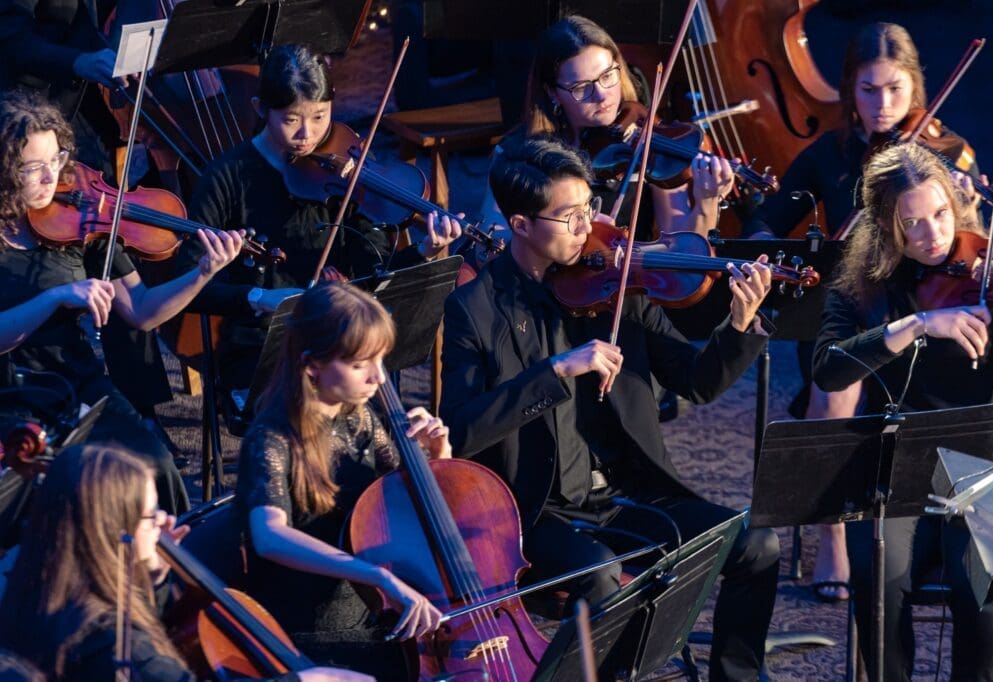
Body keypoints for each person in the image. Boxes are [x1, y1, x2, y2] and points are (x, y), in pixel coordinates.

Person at [441, 135, 780, 681]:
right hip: (537, 514)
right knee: (601, 575)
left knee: (755, 544)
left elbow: (696, 383)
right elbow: (459, 431)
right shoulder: (474, 310)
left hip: (628, 496)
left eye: (588, 209)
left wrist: (737, 327)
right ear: (521, 225)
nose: (585, 226)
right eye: (568, 216)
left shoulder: (617, 276)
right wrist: (552, 373)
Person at [743, 22, 984, 602]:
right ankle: (834, 541)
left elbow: (970, 244)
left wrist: (970, 211)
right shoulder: (828, 154)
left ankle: (955, 533)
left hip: (930, 313)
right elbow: (762, 226)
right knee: (836, 391)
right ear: (849, 90)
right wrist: (795, 260)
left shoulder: (942, 155)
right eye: (869, 90)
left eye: (896, 91)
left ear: (916, 89)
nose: (883, 105)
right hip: (851, 316)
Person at [812, 142, 993, 681]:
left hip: (981, 469)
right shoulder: (863, 290)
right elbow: (828, 368)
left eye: (941, 213)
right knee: (881, 575)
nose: (934, 235)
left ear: (956, 203)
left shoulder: (991, 275)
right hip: (893, 467)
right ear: (887, 227)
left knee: (986, 579)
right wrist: (919, 324)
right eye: (914, 223)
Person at [0, 89, 246, 514]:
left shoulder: (83, 220)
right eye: (32, 167)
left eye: (56, 159)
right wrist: (57, 297)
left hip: (76, 380)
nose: (50, 177)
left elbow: (144, 312)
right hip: (11, 390)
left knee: (156, 466)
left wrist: (203, 273)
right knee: (56, 496)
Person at [180, 43, 461, 405]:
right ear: (260, 109)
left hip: (342, 335)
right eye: (291, 119)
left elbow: (372, 274)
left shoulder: (348, 163)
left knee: (373, 395)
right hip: (263, 345)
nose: (307, 135)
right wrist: (260, 297)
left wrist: (425, 251)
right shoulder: (226, 177)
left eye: (319, 116)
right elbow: (190, 284)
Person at [0, 444, 370, 681]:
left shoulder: (26, 580)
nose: (165, 520)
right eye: (150, 514)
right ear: (115, 533)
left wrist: (153, 577)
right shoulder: (125, 652)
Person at [236, 282, 451, 679]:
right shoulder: (272, 436)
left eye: (380, 360)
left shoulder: (357, 415)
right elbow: (268, 536)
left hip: (370, 609)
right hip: (308, 631)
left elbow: (406, 494)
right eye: (359, 364)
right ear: (312, 364)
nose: (377, 377)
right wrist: (375, 575)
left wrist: (437, 452)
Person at [477, 15, 736, 243]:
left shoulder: (647, 138)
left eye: (607, 76)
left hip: (628, 290)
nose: (602, 95)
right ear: (552, 93)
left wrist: (706, 200)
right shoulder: (519, 153)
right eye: (581, 87)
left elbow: (682, 249)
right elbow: (495, 240)